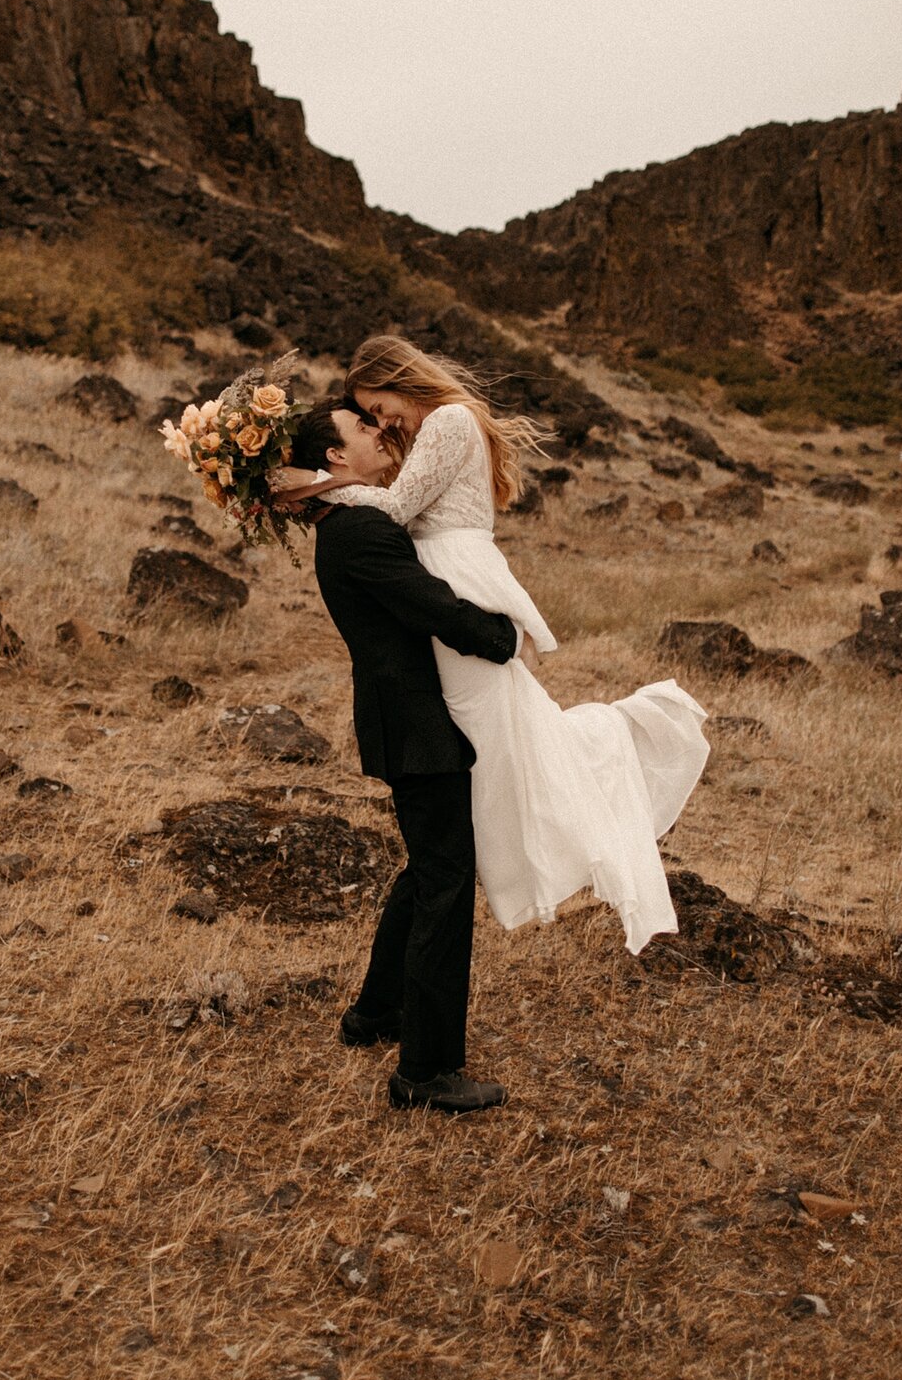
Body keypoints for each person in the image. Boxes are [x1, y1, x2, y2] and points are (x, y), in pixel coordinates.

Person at [270, 337, 710, 958]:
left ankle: (576, 784)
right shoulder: (433, 431)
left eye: (381, 405)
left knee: (503, 743)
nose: (383, 422)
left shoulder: (449, 420)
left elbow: (394, 509)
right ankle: (462, 869)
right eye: (368, 416)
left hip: (459, 580)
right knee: (490, 757)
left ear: (402, 378)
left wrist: (315, 486)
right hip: (448, 580)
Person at [283, 398, 523, 1114]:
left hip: (404, 719)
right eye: (361, 427)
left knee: (429, 869)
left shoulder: (343, 520)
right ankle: (426, 1070)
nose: (377, 432)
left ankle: (376, 1013)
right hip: (418, 725)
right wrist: (502, 637)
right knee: (446, 882)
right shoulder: (358, 531)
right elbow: (432, 608)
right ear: (333, 457)